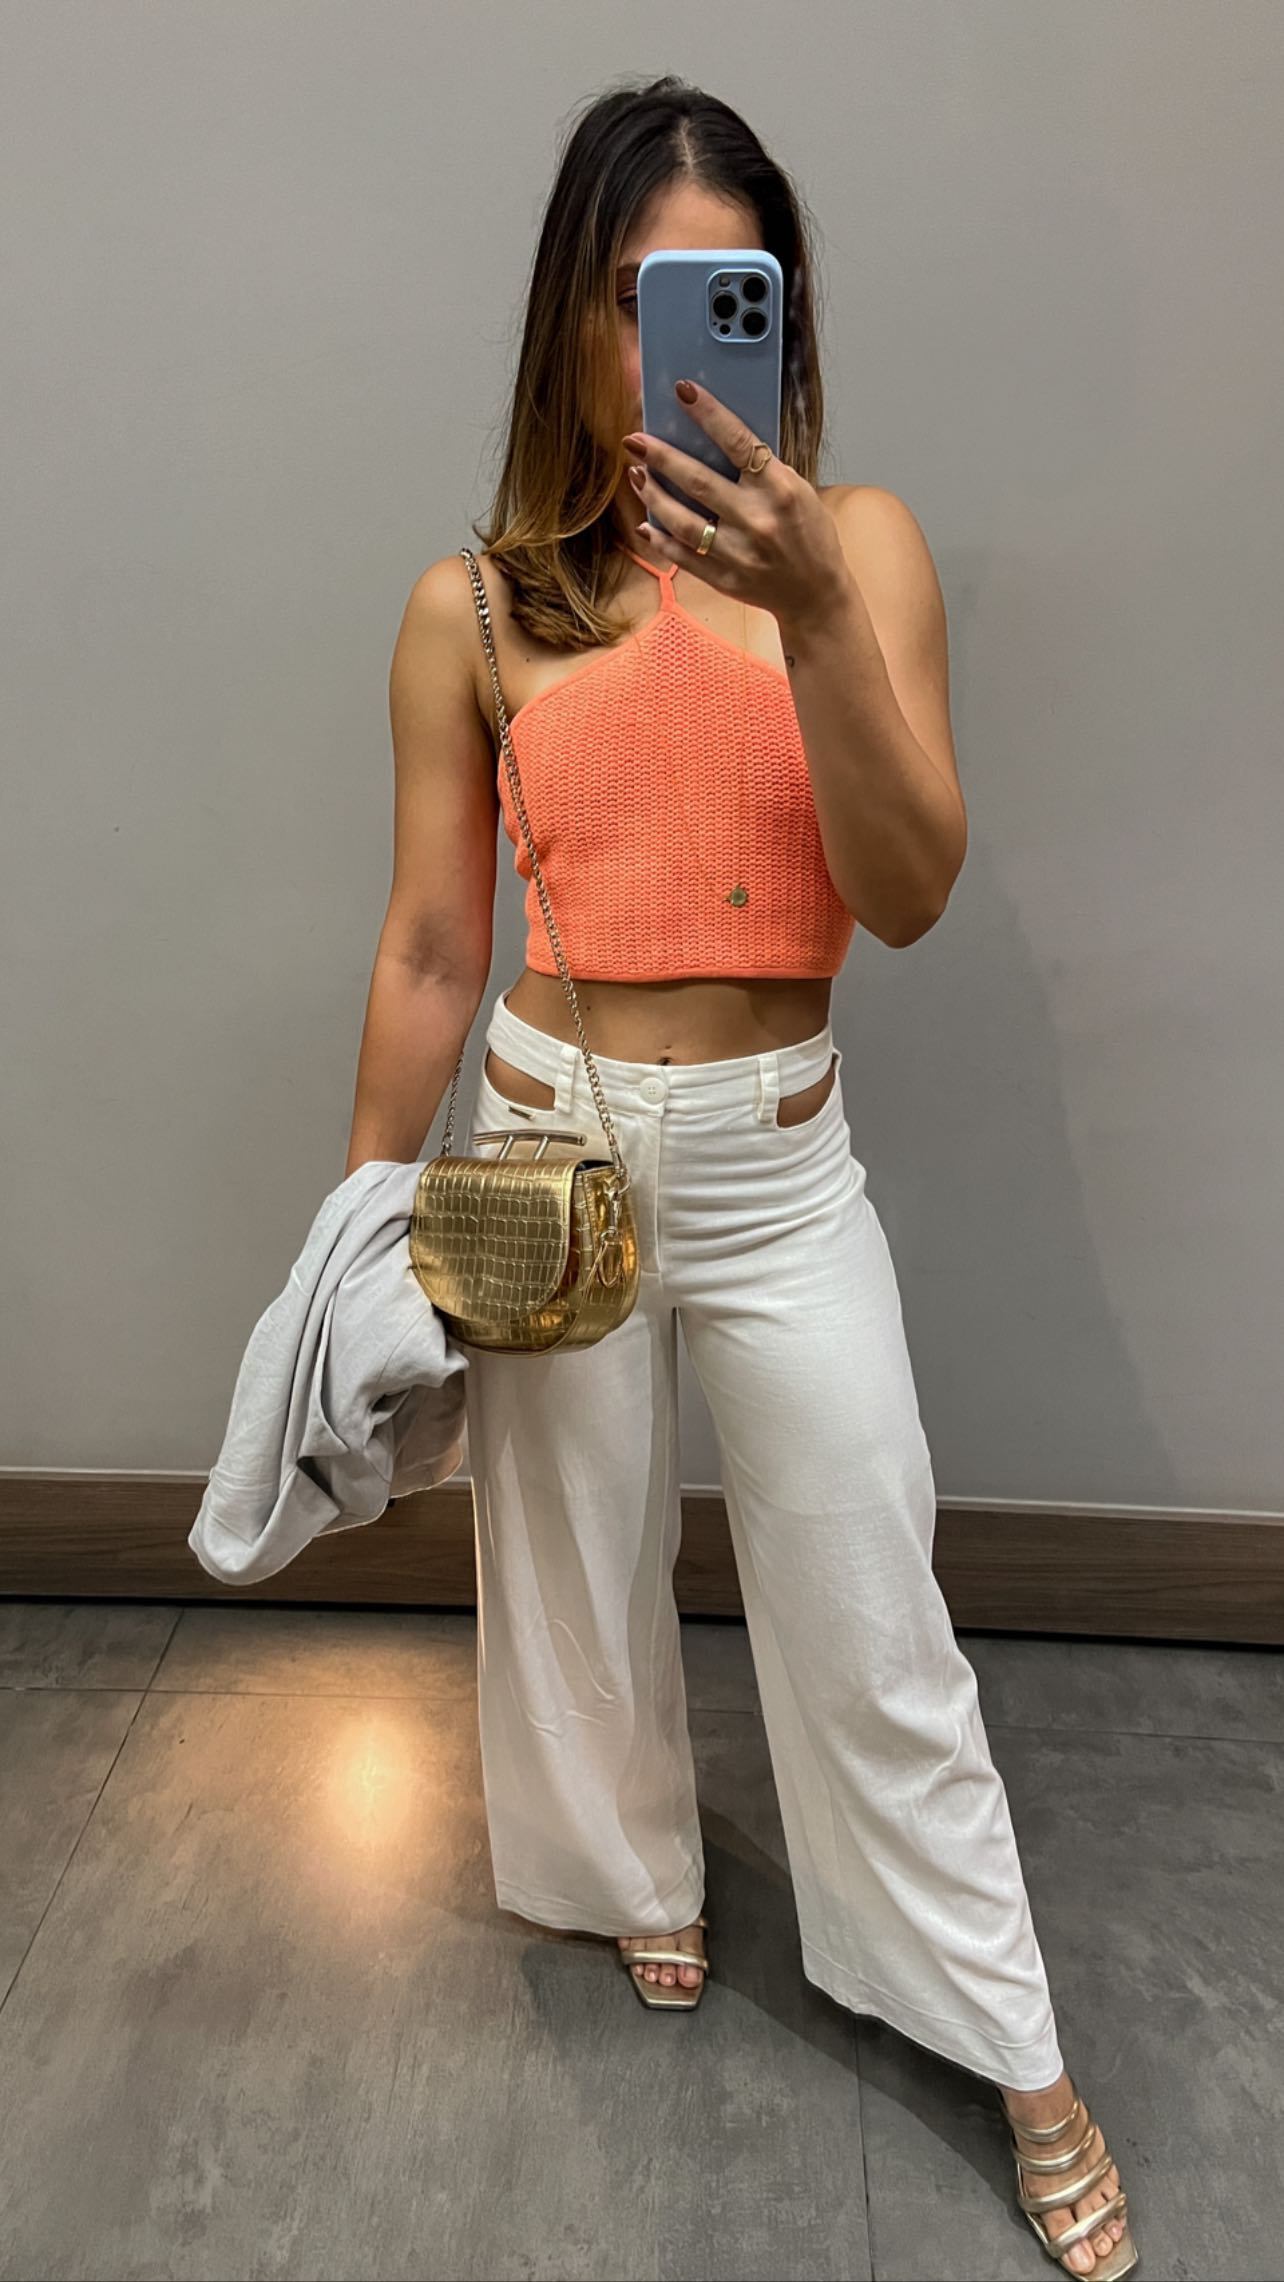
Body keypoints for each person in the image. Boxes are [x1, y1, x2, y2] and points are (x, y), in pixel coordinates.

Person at [343, 75, 1136, 2282]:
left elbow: (912, 890)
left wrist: (812, 615)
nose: (672, 340)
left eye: (722, 293)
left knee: (874, 1607)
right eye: (632, 296)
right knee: (564, 1567)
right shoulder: (474, 605)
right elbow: (430, 946)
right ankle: (636, 1876)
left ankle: (1011, 2041)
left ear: (778, 318)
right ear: (572, 320)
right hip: (545, 1134)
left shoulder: (859, 549)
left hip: (783, 1163)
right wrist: (353, 1222)